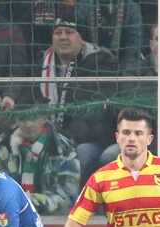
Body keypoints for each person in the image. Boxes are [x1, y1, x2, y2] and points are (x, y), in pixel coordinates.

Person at [38, 17, 117, 181]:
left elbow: (97, 114)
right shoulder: (40, 64)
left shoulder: (99, 64)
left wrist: (63, 135)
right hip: (50, 134)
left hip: (89, 139)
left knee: (81, 154)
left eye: (69, 32)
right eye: (58, 32)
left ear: (82, 39)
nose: (63, 37)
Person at [0, 100, 80, 216]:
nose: (28, 124)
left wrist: (29, 202)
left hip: (52, 216)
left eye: (33, 118)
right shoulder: (2, 147)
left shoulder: (64, 149)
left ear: (44, 118)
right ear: (16, 120)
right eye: (23, 118)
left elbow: (68, 196)